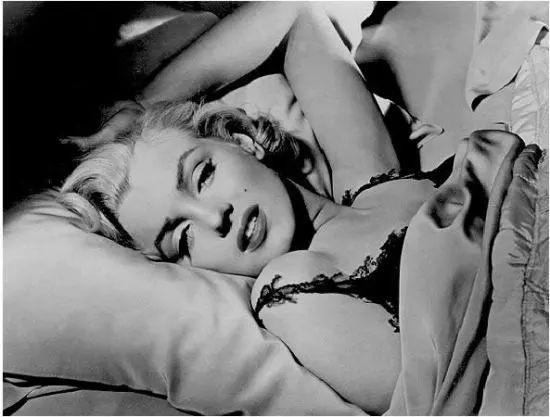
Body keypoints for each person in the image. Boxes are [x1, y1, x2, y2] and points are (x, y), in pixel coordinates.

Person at [59, 3, 439, 414]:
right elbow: (442, 401)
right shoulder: (293, 288)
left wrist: (142, 106)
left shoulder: (372, 177)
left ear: (242, 141)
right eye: (182, 237)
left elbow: (295, 15)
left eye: (203, 175)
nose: (214, 218)